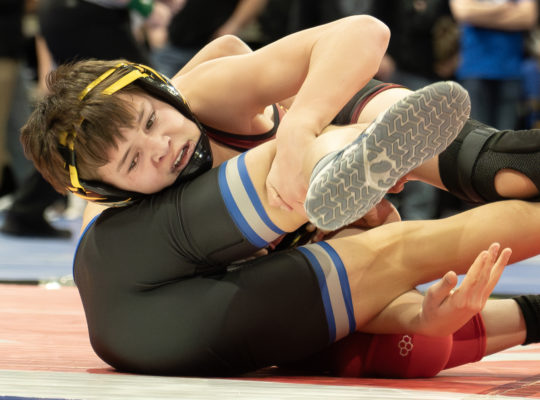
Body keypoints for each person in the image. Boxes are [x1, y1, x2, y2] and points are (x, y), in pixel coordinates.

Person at [20, 16, 540, 376]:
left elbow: (363, 32)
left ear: (161, 93)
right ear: (111, 191)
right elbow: (380, 263)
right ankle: (339, 148)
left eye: (153, 122)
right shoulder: (133, 225)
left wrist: (300, 126)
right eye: (133, 163)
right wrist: (419, 315)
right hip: (139, 310)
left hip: (248, 299)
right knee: (403, 300)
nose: (161, 149)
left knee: (419, 345)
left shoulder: (205, 98)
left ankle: (491, 161)